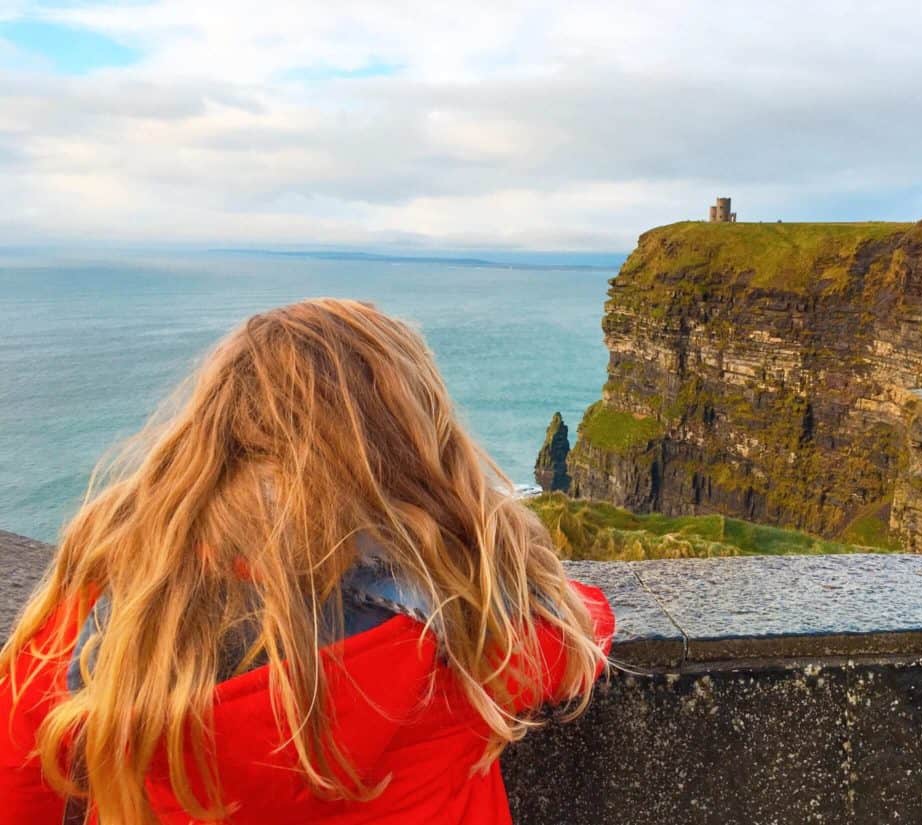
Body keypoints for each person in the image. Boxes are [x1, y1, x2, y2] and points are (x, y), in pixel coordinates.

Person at [0, 299, 614, 824]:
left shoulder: (124, 598)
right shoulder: (472, 613)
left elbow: (18, 769)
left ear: (215, 432)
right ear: (412, 439)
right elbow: (578, 627)